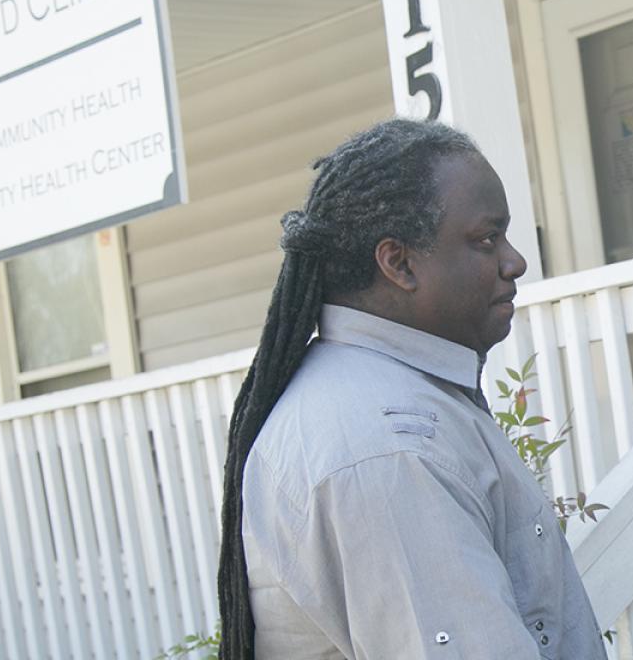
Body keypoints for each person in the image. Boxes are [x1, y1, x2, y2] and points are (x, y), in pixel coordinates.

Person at [214, 119, 603, 659]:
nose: (515, 261)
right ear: (398, 262)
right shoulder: (389, 450)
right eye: (487, 239)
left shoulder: (392, 404)